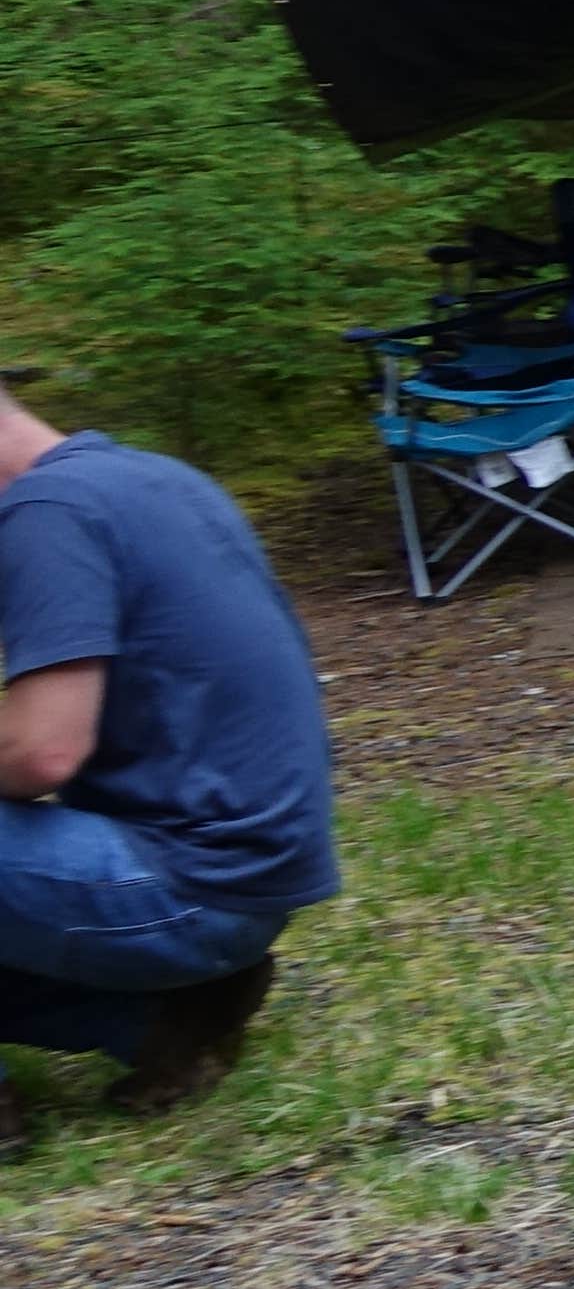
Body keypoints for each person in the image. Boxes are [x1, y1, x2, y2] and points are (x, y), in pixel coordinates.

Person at [0, 362, 339, 1112]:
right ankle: (165, 1023)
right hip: (248, 879)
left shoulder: (46, 514)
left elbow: (42, 750)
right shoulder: (152, 480)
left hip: (186, 886)